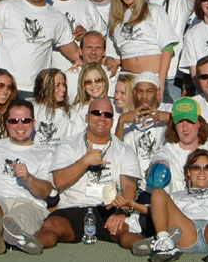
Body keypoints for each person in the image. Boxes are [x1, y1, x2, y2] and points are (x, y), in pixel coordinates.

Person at [36, 96, 142, 251]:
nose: (102, 118)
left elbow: (129, 187)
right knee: (51, 227)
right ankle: (32, 244)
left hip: (108, 207)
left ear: (112, 121)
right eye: (97, 113)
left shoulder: (124, 150)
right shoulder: (68, 145)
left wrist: (121, 213)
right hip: (73, 206)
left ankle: (144, 246)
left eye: (107, 115)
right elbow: (59, 181)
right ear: (87, 117)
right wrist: (85, 161)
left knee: (126, 231)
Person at [143, 149, 208, 262]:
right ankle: (165, 244)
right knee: (158, 193)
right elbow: (157, 211)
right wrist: (131, 205)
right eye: (196, 167)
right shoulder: (177, 194)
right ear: (189, 172)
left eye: (207, 167)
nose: (202, 172)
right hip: (186, 230)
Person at [0, 100, 58, 255]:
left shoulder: (46, 152)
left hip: (29, 203)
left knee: (12, 220)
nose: (20, 125)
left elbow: (47, 191)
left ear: (33, 123)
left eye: (25, 120)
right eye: (14, 121)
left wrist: (29, 179)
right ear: (6, 124)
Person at [108, 0, 177, 87]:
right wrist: (109, 60)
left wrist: (161, 80)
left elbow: (167, 48)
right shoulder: (116, 18)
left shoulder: (154, 10)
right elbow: (112, 55)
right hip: (127, 79)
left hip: (152, 79)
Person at [117, 72, 172, 172]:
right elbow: (118, 151)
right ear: (134, 93)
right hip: (140, 181)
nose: (144, 96)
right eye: (140, 91)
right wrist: (121, 122)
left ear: (158, 92)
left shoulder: (170, 109)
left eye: (149, 91)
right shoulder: (129, 118)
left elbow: (194, 125)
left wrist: (169, 117)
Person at [31, 67, 75, 147]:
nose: (63, 89)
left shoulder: (71, 114)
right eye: (57, 85)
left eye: (64, 85)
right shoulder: (32, 109)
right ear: (44, 87)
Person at [68, 63, 111, 132]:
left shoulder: (115, 105)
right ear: (83, 86)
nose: (94, 85)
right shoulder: (76, 110)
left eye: (98, 80)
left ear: (104, 82)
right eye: (88, 82)